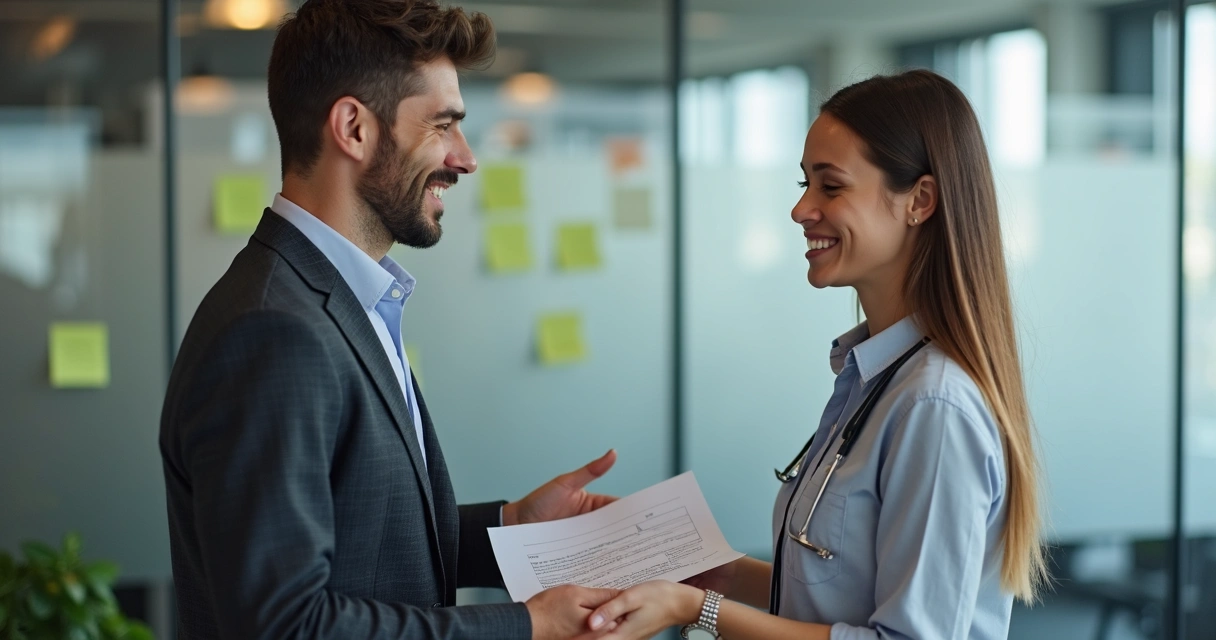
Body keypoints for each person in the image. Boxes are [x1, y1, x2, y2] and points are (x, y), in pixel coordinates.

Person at [159, 1, 623, 638]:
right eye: (442, 126)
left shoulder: (339, 299)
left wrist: (513, 527)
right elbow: (285, 624)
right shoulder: (274, 330)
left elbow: (360, 538)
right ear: (353, 128)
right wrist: (524, 627)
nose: (465, 158)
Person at [581, 69, 1048, 640]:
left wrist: (693, 611)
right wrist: (694, 570)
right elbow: (831, 594)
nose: (802, 210)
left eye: (830, 187)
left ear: (919, 201)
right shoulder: (874, 378)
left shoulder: (934, 405)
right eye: (804, 185)